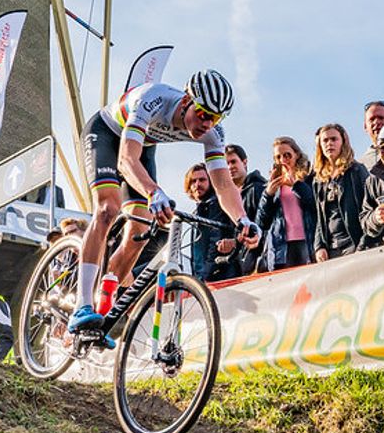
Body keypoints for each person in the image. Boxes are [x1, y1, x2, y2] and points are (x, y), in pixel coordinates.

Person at [69, 69, 259, 333]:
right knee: (107, 208)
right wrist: (153, 192)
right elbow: (126, 161)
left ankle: (105, 302)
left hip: (144, 146)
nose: (207, 124)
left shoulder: (213, 133)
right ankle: (81, 304)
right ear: (185, 102)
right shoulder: (153, 99)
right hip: (107, 134)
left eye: (216, 118)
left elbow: (224, 184)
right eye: (203, 114)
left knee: (141, 230)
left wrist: (243, 219)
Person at [256, 136, 317, 272]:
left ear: (296, 155)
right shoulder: (273, 183)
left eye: (287, 155)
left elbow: (314, 206)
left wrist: (296, 185)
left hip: (306, 242)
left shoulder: (308, 178)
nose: (283, 160)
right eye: (278, 157)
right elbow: (262, 222)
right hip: (281, 247)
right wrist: (268, 195)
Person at [313, 123, 370, 261]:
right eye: (325, 140)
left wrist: (363, 245)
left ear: (343, 142)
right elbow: (320, 218)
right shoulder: (319, 179)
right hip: (331, 248)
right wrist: (319, 246)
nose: (329, 144)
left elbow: (369, 208)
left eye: (334, 139)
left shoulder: (356, 171)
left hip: (354, 245)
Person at [219, 144, 267, 278]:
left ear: (244, 162)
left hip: (258, 264)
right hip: (239, 266)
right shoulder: (227, 199)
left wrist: (235, 242)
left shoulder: (257, 189)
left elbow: (263, 225)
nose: (230, 167)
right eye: (226, 164)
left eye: (233, 161)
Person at [184, 163, 225, 280]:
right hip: (201, 277)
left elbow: (215, 241)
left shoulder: (216, 204)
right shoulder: (195, 213)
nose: (197, 184)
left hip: (216, 277)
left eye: (202, 180)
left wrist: (205, 275)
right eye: (193, 181)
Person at [358, 101, 384, 169]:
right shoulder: (360, 165)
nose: (376, 122)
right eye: (372, 119)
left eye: (381, 118)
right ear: (365, 126)